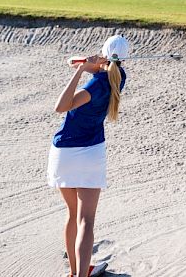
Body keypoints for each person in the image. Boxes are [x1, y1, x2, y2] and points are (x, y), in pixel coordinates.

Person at [47, 35, 129, 277]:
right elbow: (80, 62)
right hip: (90, 155)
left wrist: (81, 70)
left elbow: (61, 106)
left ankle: (75, 272)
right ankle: (81, 274)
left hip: (63, 154)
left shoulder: (93, 85)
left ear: (103, 54)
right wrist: (86, 63)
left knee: (73, 216)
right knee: (86, 221)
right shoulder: (119, 78)